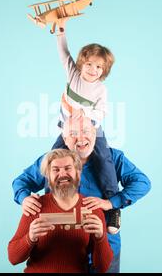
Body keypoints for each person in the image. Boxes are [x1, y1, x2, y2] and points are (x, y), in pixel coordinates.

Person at [12, 116, 151, 273]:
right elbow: (21, 182)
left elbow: (142, 182)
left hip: (105, 243)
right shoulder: (53, 162)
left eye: (85, 131)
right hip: (66, 248)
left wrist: (111, 202)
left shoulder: (113, 158)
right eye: (73, 133)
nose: (81, 138)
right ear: (64, 138)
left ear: (94, 133)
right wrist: (24, 199)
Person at [52, 18, 121, 234]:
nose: (93, 69)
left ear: (104, 71)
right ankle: (50, 201)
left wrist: (86, 118)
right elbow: (64, 53)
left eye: (99, 67)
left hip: (92, 129)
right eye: (89, 64)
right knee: (54, 158)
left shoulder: (101, 90)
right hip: (69, 130)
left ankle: (113, 209)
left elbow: (102, 111)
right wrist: (60, 31)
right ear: (82, 63)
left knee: (105, 159)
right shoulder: (73, 74)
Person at [8, 149, 113, 273]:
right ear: (48, 177)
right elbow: (13, 258)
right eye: (56, 170)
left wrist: (100, 237)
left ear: (78, 174)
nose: (62, 174)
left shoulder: (92, 209)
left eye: (68, 168)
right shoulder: (35, 207)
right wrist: (29, 238)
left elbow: (103, 267)